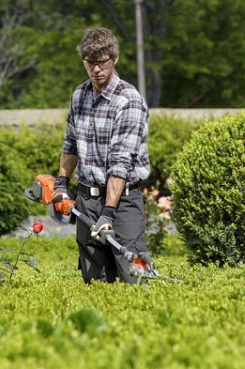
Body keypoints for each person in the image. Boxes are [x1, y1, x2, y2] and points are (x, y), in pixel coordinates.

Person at [54, 27, 151, 284]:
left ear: (115, 59)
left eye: (102, 62)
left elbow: (121, 162)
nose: (96, 69)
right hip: (87, 200)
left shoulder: (128, 100)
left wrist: (108, 212)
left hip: (123, 203)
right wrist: (61, 184)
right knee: (93, 278)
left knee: (136, 273)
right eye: (90, 63)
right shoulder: (80, 95)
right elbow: (71, 144)